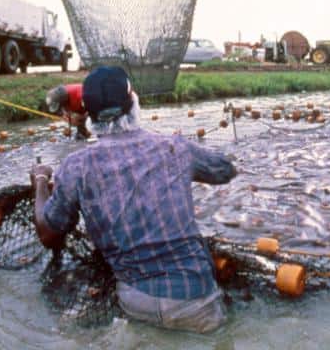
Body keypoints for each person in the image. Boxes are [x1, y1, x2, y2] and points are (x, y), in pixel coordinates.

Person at [31, 66, 236, 333]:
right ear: (134, 105)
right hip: (196, 299)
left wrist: (39, 182)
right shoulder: (174, 147)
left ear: (88, 116)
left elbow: (49, 235)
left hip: (136, 302)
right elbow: (225, 170)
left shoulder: (75, 166)